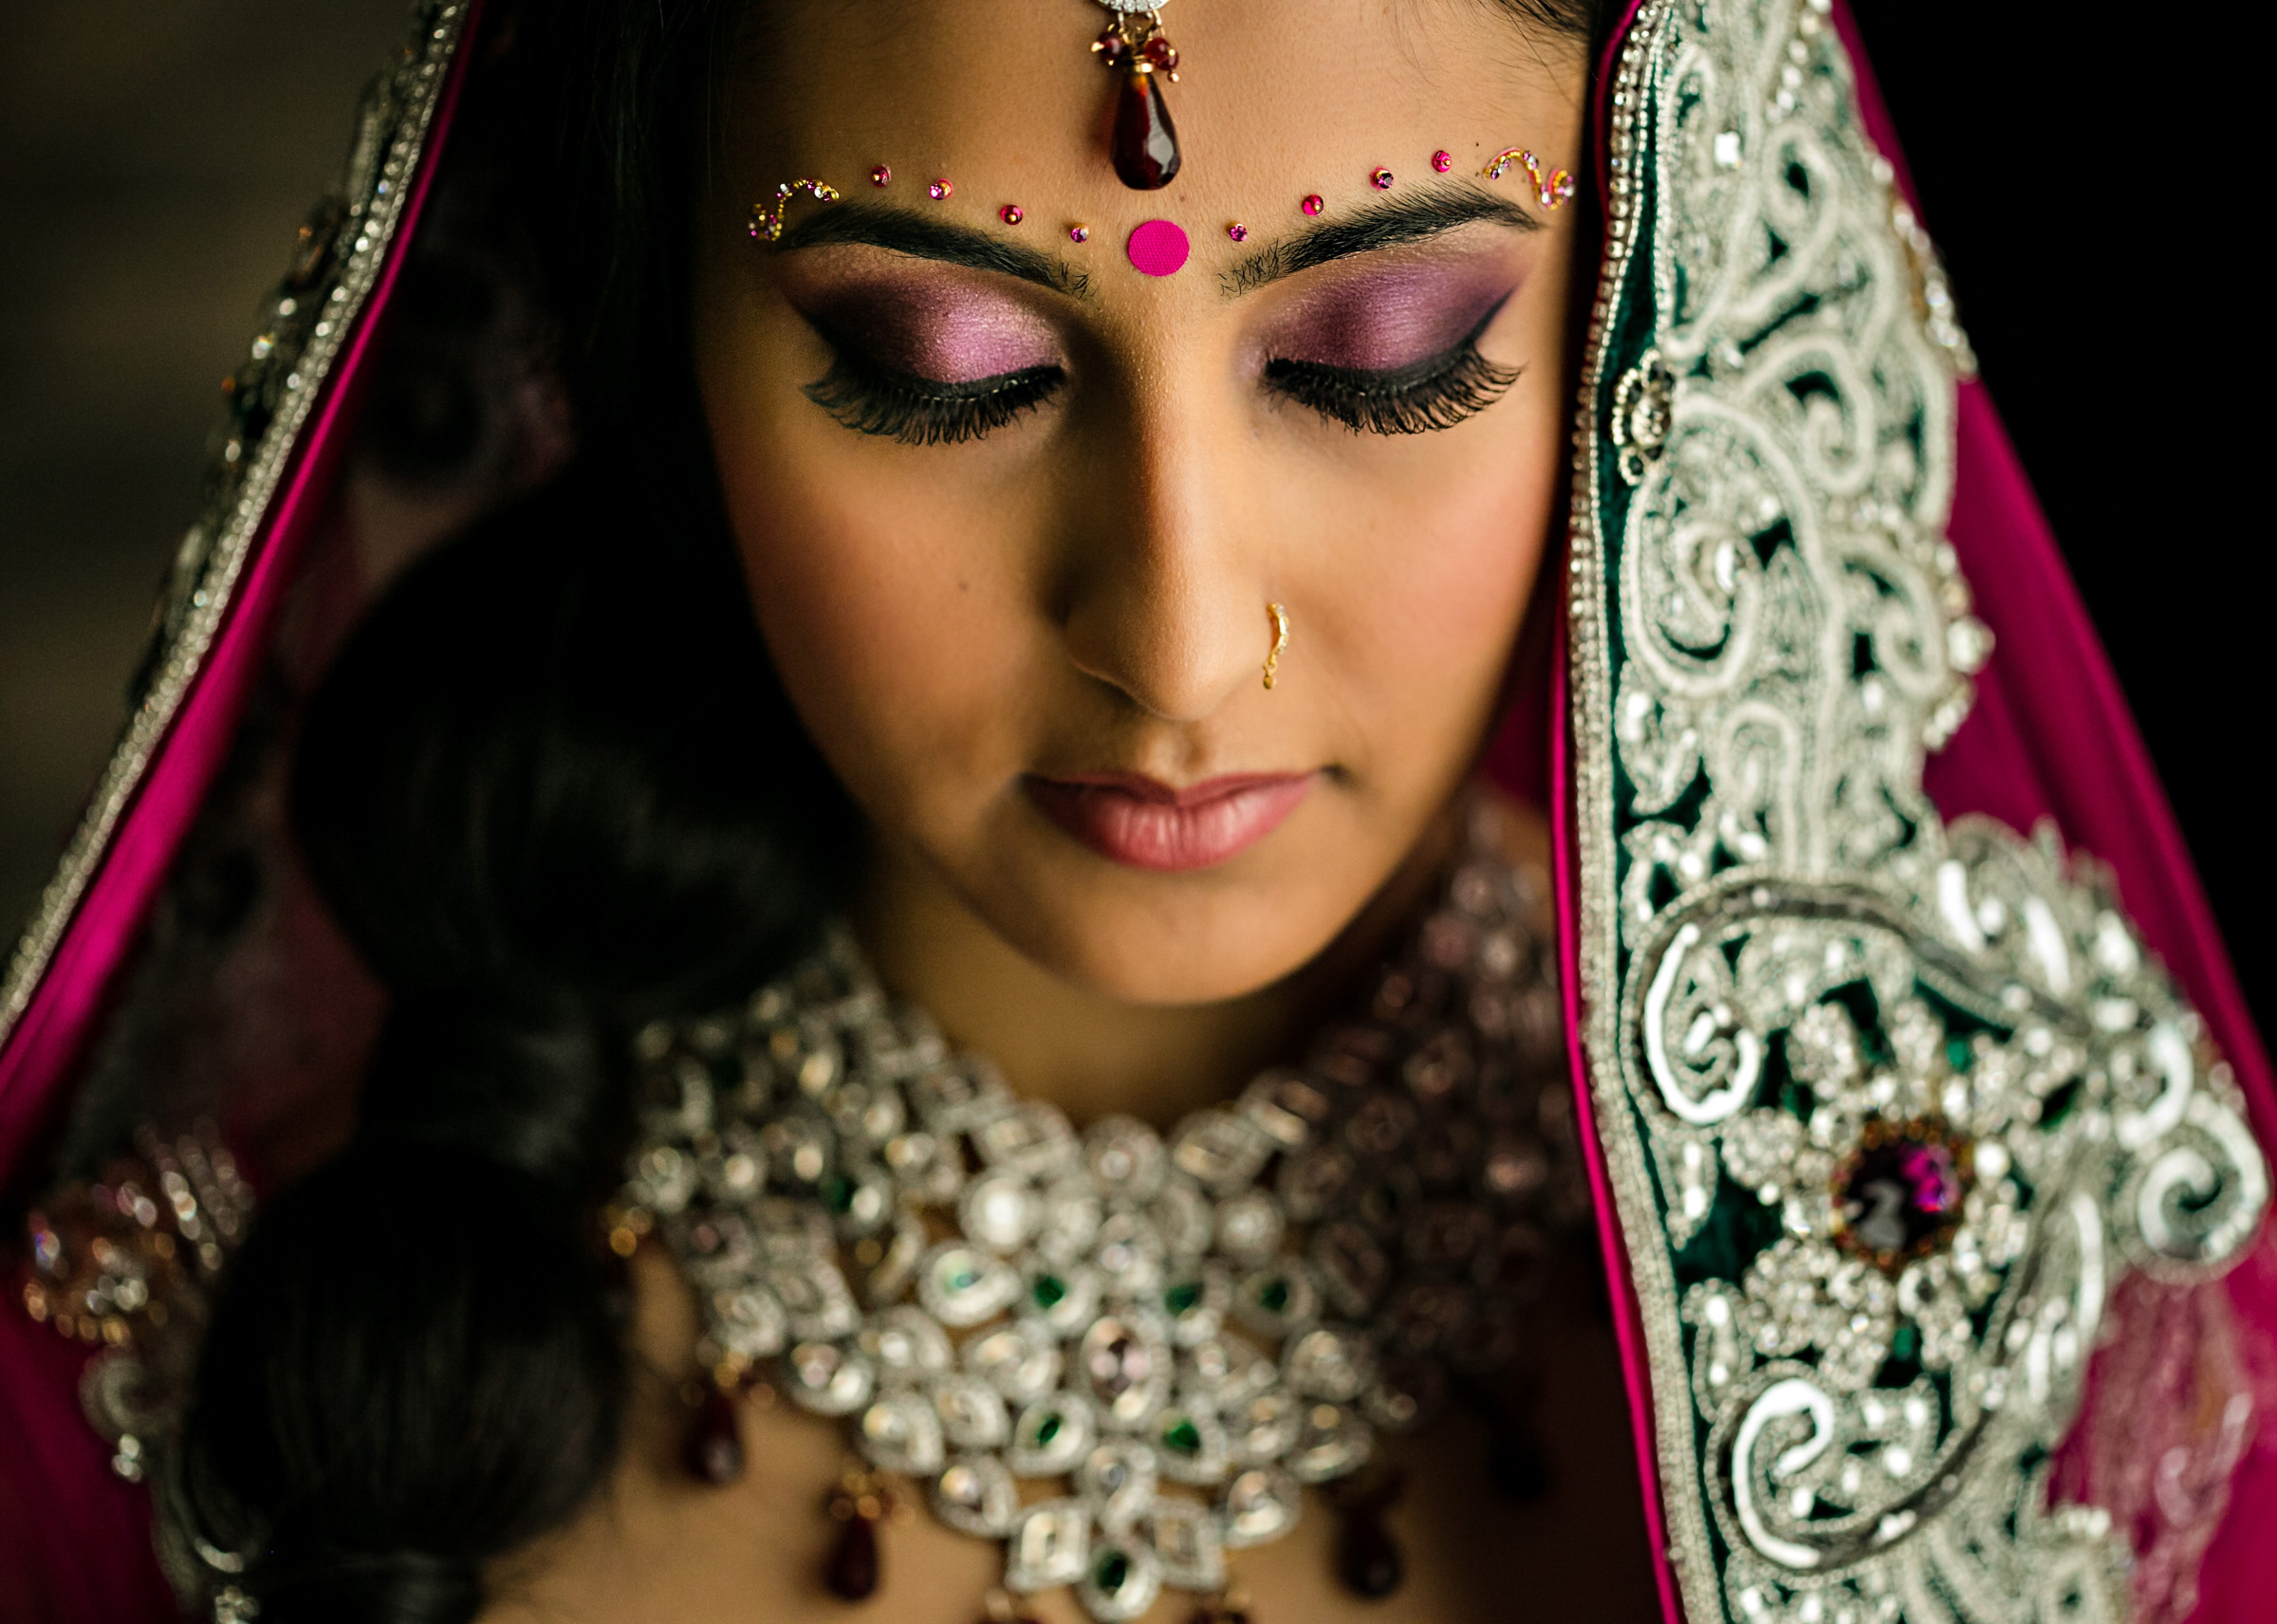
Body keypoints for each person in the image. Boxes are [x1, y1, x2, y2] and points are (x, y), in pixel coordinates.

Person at [3, 2, 2270, 1621]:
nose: (1182, 648)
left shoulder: (2020, 1350)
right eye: (938, 371)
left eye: (1383, 357)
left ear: (1652, 309)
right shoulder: (220, 1378)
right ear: (649, 338)